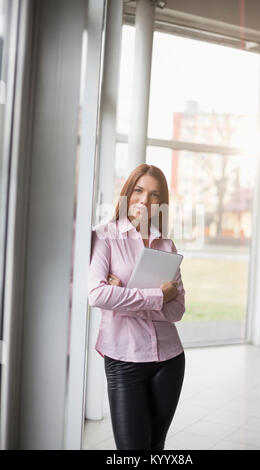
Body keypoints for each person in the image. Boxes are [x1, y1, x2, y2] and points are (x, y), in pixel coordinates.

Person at [87, 163, 186, 450]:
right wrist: (157, 297)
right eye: (138, 191)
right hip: (124, 361)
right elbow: (96, 295)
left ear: (160, 203)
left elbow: (177, 310)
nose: (144, 201)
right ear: (127, 193)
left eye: (154, 195)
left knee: (156, 446)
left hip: (169, 360)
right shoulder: (104, 236)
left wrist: (123, 297)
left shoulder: (166, 245)